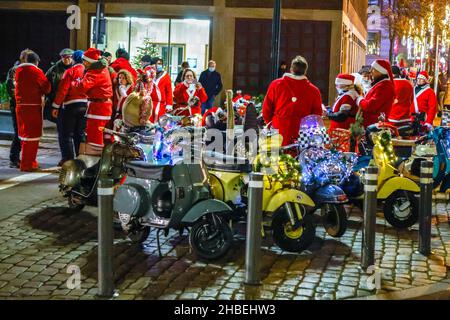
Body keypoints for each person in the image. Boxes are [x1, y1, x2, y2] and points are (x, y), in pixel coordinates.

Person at [262, 55, 323, 146]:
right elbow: (316, 115)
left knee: (278, 157)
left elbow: (266, 108)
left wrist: (271, 123)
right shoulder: (314, 90)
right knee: (298, 157)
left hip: (279, 128)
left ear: (291, 69)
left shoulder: (276, 84)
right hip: (302, 132)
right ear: (305, 71)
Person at [14, 51, 51, 172]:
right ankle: (27, 164)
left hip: (20, 107)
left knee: (24, 136)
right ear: (36, 62)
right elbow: (46, 88)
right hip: (32, 107)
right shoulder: (36, 71)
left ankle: (29, 161)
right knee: (32, 137)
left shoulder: (18, 71)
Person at [72, 48, 113, 152]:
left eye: (84, 61)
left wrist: (74, 82)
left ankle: (96, 163)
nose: (83, 63)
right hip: (104, 106)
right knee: (104, 136)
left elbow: (82, 87)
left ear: (89, 61)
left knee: (95, 136)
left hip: (98, 108)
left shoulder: (94, 71)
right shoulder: (103, 68)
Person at [51, 50, 88, 164]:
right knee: (80, 134)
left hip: (71, 105)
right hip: (85, 105)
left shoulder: (70, 71)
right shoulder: (89, 72)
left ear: (73, 59)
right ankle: (81, 159)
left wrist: (55, 106)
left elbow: (63, 90)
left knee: (65, 134)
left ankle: (68, 159)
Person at [6, 49, 32, 168]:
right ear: (23, 58)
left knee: (23, 133)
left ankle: (19, 158)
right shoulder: (15, 70)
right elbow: (10, 88)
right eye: (28, 57)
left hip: (25, 106)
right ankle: (14, 159)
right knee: (18, 132)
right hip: (18, 105)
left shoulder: (28, 70)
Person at [355, 59, 396, 128]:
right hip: (373, 124)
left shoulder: (384, 86)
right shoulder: (382, 84)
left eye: (373, 69)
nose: (371, 72)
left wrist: (359, 99)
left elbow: (370, 106)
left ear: (380, 72)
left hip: (375, 126)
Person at [44, 48, 74, 123]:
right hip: (57, 98)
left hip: (71, 99)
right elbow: (46, 82)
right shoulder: (54, 69)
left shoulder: (76, 67)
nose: (67, 60)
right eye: (64, 57)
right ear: (61, 58)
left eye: (68, 57)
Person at [148, 57, 174, 123]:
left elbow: (169, 91)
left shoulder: (166, 76)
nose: (158, 65)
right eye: (157, 63)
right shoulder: (149, 75)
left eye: (160, 64)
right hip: (150, 104)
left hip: (161, 105)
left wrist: (169, 105)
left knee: (160, 124)